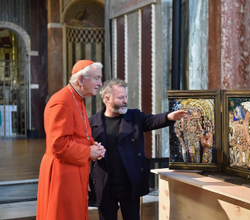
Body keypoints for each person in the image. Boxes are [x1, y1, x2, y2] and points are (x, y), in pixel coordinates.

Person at [88, 78, 188, 220]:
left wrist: (169, 116)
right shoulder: (92, 123)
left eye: (126, 97)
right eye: (120, 97)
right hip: (105, 184)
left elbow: (151, 121)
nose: (125, 101)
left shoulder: (134, 116)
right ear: (107, 99)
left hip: (129, 183)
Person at [36, 60, 107, 220]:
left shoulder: (77, 99)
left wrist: (94, 146)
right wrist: (89, 152)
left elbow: (77, 134)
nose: (100, 83)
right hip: (62, 173)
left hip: (74, 169)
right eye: (96, 78)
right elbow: (59, 145)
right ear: (81, 80)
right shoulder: (62, 102)